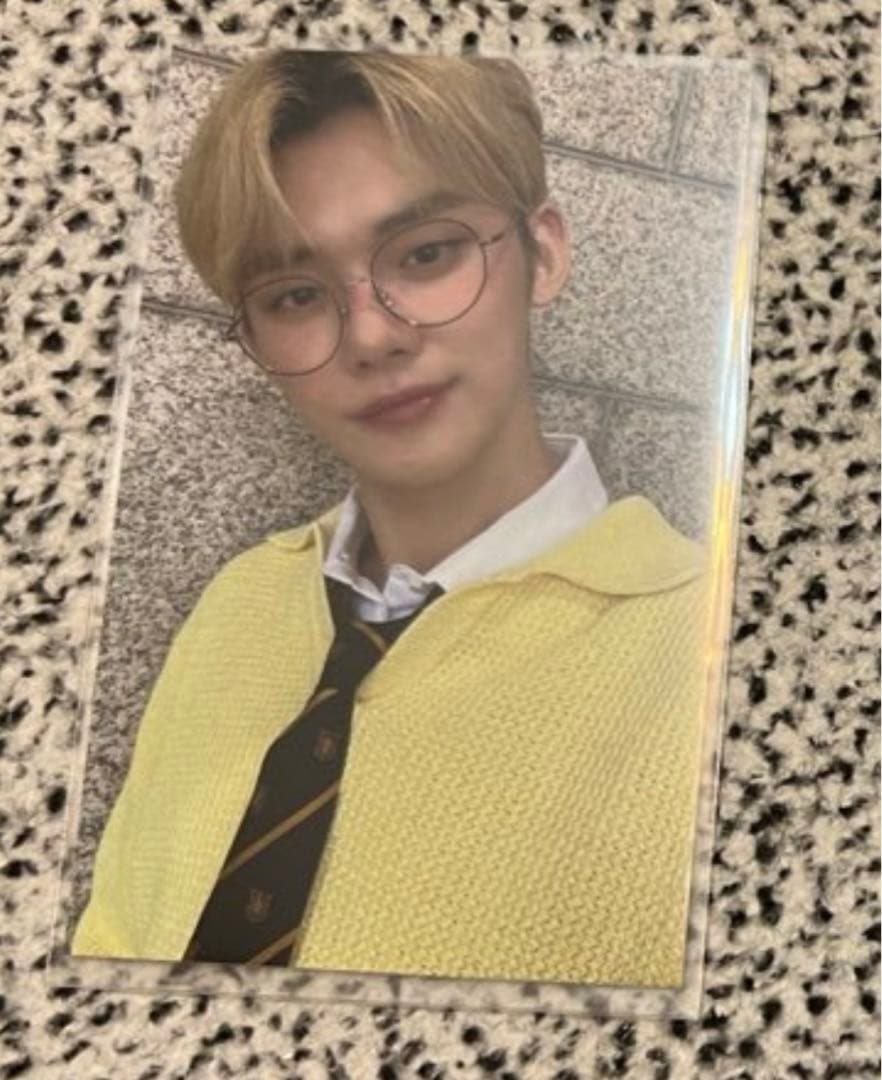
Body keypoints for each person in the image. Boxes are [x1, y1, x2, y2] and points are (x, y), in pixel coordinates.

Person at [72, 49, 711, 990]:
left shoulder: (705, 653)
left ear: (543, 253)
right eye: (295, 296)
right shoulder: (238, 603)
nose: (372, 335)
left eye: (425, 254)